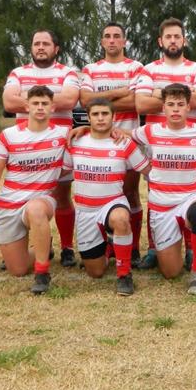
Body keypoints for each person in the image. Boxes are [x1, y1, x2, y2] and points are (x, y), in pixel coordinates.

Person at [132, 18, 196, 271]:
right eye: (169, 37)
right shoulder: (148, 69)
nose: (173, 41)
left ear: (184, 40)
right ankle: (155, 248)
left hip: (188, 141)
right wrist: (177, 95)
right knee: (156, 191)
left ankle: (190, 249)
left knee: (188, 193)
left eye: (177, 36)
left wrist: (159, 93)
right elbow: (141, 104)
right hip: (155, 139)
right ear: (160, 41)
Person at [3, 29, 82, 267]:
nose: (40, 47)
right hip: (25, 146)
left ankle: (67, 247)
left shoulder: (67, 72)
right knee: (23, 198)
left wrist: (28, 97)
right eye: (36, 43)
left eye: (46, 43)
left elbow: (69, 100)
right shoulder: (18, 72)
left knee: (62, 196)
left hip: (59, 145)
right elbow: (8, 102)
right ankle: (33, 249)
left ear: (56, 48)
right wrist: (48, 99)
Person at [130, 83, 196, 295]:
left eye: (180, 104)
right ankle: (177, 243)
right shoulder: (149, 131)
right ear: (163, 108)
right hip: (161, 205)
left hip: (190, 197)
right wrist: (145, 167)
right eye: (171, 104)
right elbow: (123, 138)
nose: (175, 109)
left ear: (189, 107)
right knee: (171, 272)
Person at [0, 86, 69, 296]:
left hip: (41, 201)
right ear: (26, 106)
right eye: (36, 103)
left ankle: (42, 273)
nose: (40, 107)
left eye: (45, 103)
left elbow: (92, 133)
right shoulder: (9, 136)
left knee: (36, 209)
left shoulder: (63, 134)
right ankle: (43, 246)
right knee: (18, 270)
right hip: (10, 203)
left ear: (53, 107)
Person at [79, 22, 149, 266]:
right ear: (101, 41)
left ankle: (134, 248)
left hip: (126, 138)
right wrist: (119, 91)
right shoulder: (91, 69)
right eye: (107, 36)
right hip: (98, 141)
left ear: (124, 41)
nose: (112, 40)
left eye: (116, 36)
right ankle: (106, 244)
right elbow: (86, 101)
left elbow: (136, 102)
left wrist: (101, 101)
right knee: (101, 194)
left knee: (129, 193)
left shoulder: (136, 67)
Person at [64, 99, 151, 296]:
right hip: (85, 211)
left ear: (113, 117)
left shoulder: (123, 142)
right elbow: (62, 172)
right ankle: (110, 242)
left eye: (105, 114)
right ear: (88, 117)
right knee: (96, 272)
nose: (100, 118)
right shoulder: (75, 141)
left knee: (120, 219)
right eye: (95, 114)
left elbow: (148, 170)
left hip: (112, 203)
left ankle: (124, 275)